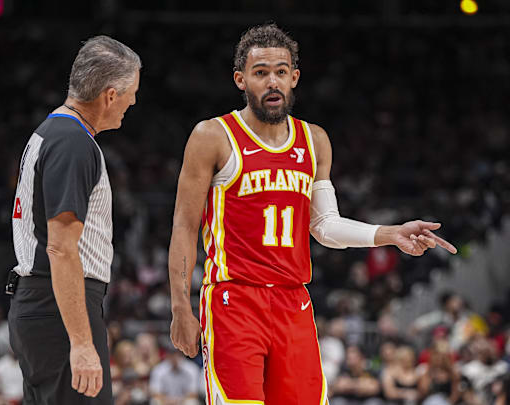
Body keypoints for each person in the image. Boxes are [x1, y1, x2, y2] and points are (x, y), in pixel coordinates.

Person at [168, 23, 457, 405]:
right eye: (261, 73)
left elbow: (324, 225)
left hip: (294, 302)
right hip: (234, 299)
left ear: (294, 77)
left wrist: (389, 234)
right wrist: (179, 308)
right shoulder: (212, 136)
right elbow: (185, 226)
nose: (273, 82)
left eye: (281, 72)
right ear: (240, 80)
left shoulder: (314, 140)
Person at [8, 35, 141, 404]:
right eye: (131, 92)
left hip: (43, 304)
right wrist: (82, 344)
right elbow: (61, 247)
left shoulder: (52, 132)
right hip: (59, 308)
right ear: (110, 95)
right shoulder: (73, 142)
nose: (134, 101)